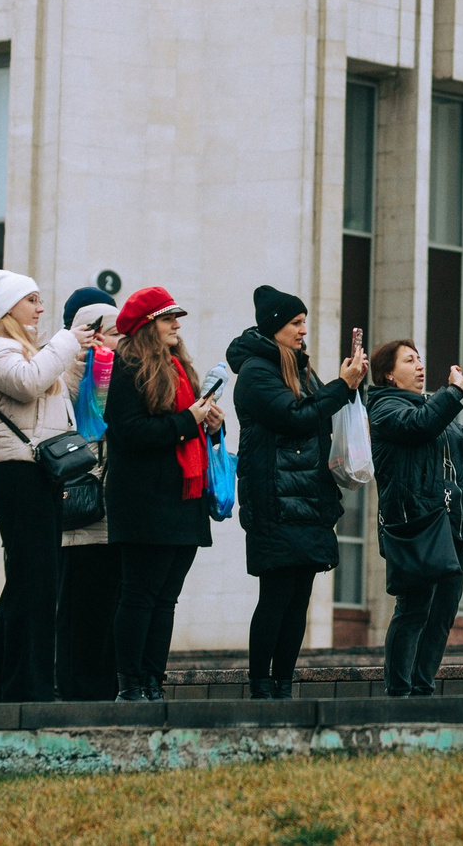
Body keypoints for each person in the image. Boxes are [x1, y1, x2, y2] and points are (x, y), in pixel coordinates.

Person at [227, 286, 367, 699]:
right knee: (275, 596)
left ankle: (284, 684)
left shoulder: (301, 369)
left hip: (308, 499)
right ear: (275, 327)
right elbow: (295, 417)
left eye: (304, 322)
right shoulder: (256, 371)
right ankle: (260, 685)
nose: (303, 330)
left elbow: (322, 414)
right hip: (275, 501)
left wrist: (351, 385)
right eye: (296, 323)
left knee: (299, 598)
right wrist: (340, 387)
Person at [105, 284, 225, 702]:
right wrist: (187, 421)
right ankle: (129, 684)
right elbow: (129, 433)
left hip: (183, 500)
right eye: (168, 318)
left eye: (176, 318)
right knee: (139, 595)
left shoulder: (180, 368)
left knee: (166, 598)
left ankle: (153, 681)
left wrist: (211, 424)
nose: (177, 325)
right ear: (146, 326)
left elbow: (187, 429)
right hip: (143, 501)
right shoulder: (128, 368)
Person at [366, 339, 463, 698]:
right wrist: (454, 391)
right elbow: (417, 427)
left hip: (452, 524)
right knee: (413, 609)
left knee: (442, 614)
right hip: (417, 525)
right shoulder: (385, 408)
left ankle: (423, 688)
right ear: (389, 375)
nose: (419, 366)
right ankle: (398, 691)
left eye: (420, 359)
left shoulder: (432, 407)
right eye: (409, 361)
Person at [0, 269, 84, 703]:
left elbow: (53, 401)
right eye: (32, 300)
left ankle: (11, 687)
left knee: (29, 585)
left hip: (35, 475)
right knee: (33, 586)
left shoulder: (26, 351)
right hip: (17, 476)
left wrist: (75, 358)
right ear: (8, 308)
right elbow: (29, 382)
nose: (41, 308)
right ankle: (28, 689)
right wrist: (67, 341)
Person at [55, 285, 121, 701]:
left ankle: (92, 686)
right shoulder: (70, 372)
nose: (123, 340)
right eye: (116, 332)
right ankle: (78, 690)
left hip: (108, 513)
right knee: (81, 609)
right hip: (82, 509)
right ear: (94, 334)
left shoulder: (113, 370)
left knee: (100, 608)